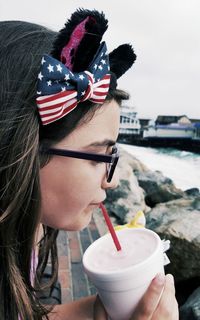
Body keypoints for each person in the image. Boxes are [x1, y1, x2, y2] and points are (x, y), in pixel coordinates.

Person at [0, 8, 179, 320]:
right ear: (25, 149)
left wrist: (96, 311)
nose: (110, 181)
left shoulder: (30, 234)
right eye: (99, 156)